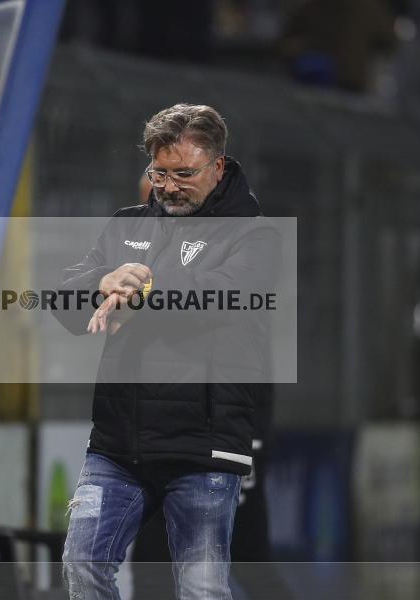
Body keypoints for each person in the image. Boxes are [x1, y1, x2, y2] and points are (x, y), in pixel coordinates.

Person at [56, 104, 280, 599]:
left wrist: (144, 287)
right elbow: (62, 302)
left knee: (201, 589)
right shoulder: (124, 225)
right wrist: (101, 283)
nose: (169, 186)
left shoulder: (257, 235)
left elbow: (221, 298)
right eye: (159, 173)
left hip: (203, 449)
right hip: (116, 447)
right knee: (81, 566)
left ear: (217, 167)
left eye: (184, 173)